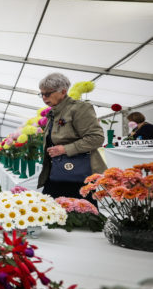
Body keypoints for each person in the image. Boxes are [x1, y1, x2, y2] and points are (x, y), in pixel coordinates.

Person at [37, 73, 107, 205]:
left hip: (78, 175)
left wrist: (65, 149)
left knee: (82, 217)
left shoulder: (80, 108)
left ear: (63, 92)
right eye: (41, 94)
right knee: (50, 213)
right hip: (57, 172)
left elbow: (96, 138)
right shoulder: (52, 113)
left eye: (48, 94)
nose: (44, 97)